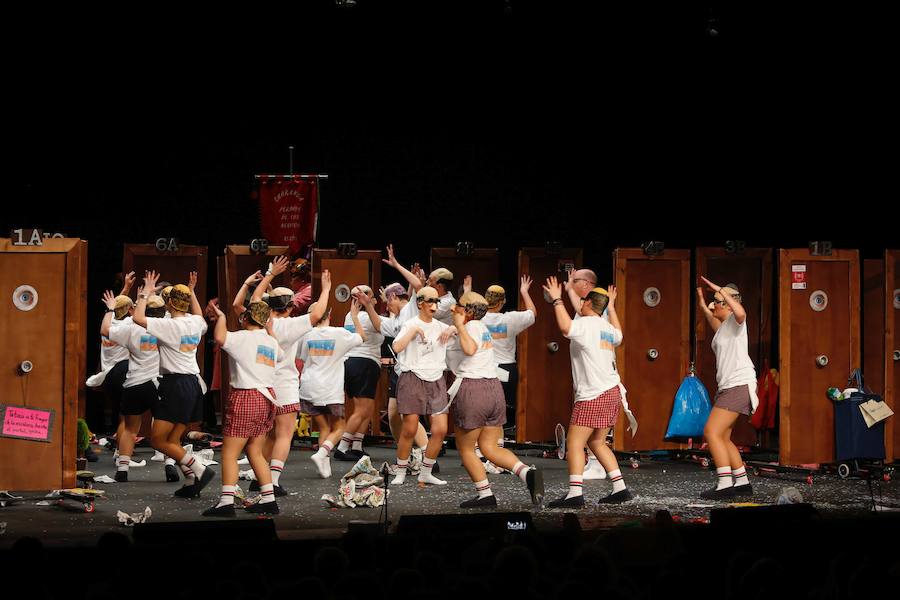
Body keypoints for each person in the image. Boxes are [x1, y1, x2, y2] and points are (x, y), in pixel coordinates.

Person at [448, 292, 544, 508]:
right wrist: (454, 327)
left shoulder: (470, 327)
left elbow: (469, 349)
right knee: (490, 447)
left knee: (466, 448)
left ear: (468, 311)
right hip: (493, 389)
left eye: (458, 307)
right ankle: (526, 473)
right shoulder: (482, 327)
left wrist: (459, 326)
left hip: (474, 389)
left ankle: (485, 495)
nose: (454, 309)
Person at [543, 277, 633, 506]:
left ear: (588, 304)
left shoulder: (586, 325)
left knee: (574, 442)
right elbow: (620, 334)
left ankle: (575, 494)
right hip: (612, 391)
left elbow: (565, 327)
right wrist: (611, 307)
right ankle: (620, 488)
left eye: (582, 301)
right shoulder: (606, 328)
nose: (579, 304)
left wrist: (556, 299)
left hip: (594, 394)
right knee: (597, 443)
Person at [245, 258, 331, 494]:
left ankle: (259, 475)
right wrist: (326, 290)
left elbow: (254, 301)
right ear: (291, 307)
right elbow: (318, 313)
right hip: (284, 384)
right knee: (283, 434)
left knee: (266, 434)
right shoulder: (293, 325)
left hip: (262, 383)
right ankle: (271, 480)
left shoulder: (262, 320)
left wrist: (271, 274)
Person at [133, 270, 215, 498]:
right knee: (173, 440)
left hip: (176, 384)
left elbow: (138, 318)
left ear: (169, 303)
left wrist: (145, 294)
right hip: (193, 385)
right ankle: (190, 481)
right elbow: (199, 314)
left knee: (158, 440)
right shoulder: (195, 322)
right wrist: (193, 292)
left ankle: (198, 468)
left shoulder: (169, 326)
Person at [203, 298, 281, 516]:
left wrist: (222, 317)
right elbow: (281, 355)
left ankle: (226, 502)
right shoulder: (271, 342)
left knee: (229, 452)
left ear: (245, 318)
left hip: (246, 396)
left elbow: (219, 337)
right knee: (255, 450)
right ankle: (269, 499)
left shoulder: (242, 338)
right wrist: (269, 330)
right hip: (267, 398)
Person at [696, 277, 757, 499]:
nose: (714, 306)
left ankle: (724, 484)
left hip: (738, 385)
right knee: (722, 437)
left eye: (718, 302)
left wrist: (721, 290)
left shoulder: (735, 323)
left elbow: (740, 313)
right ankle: (741, 482)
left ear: (728, 304)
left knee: (711, 432)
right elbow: (709, 315)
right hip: (728, 387)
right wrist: (703, 302)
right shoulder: (723, 329)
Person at [390, 286, 453, 486]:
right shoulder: (410, 323)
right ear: (420, 303)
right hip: (412, 377)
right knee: (409, 428)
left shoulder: (441, 326)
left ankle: (426, 471)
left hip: (436, 379)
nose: (434, 306)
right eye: (430, 301)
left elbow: (465, 331)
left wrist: (453, 328)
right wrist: (414, 331)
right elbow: (397, 347)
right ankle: (400, 471)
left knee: (440, 429)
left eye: (437, 301)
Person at [102, 288, 166, 482]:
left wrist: (110, 309)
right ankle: (170, 463)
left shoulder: (130, 326)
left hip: (135, 382)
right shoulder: (168, 326)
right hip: (158, 382)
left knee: (130, 428)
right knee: (165, 425)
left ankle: (123, 468)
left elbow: (105, 330)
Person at [300, 299, 366, 478]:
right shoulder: (339, 333)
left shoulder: (306, 335)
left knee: (324, 429)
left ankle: (324, 466)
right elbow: (362, 337)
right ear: (328, 315)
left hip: (309, 387)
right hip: (330, 388)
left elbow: (302, 357)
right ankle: (322, 454)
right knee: (339, 427)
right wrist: (354, 316)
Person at [378, 281, 430, 468]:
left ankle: (427, 455)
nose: (386, 305)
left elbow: (417, 285)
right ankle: (405, 454)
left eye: (388, 301)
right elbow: (379, 325)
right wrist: (367, 306)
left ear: (394, 297)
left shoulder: (410, 309)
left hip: (412, 370)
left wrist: (396, 265)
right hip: (400, 370)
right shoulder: (397, 318)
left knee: (409, 414)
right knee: (393, 414)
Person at [335, 285, 385, 461]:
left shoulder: (350, 315)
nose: (367, 297)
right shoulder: (368, 317)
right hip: (363, 362)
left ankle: (357, 445)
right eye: (366, 294)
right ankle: (342, 447)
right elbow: (385, 328)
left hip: (354, 363)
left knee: (368, 408)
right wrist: (382, 303)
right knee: (362, 409)